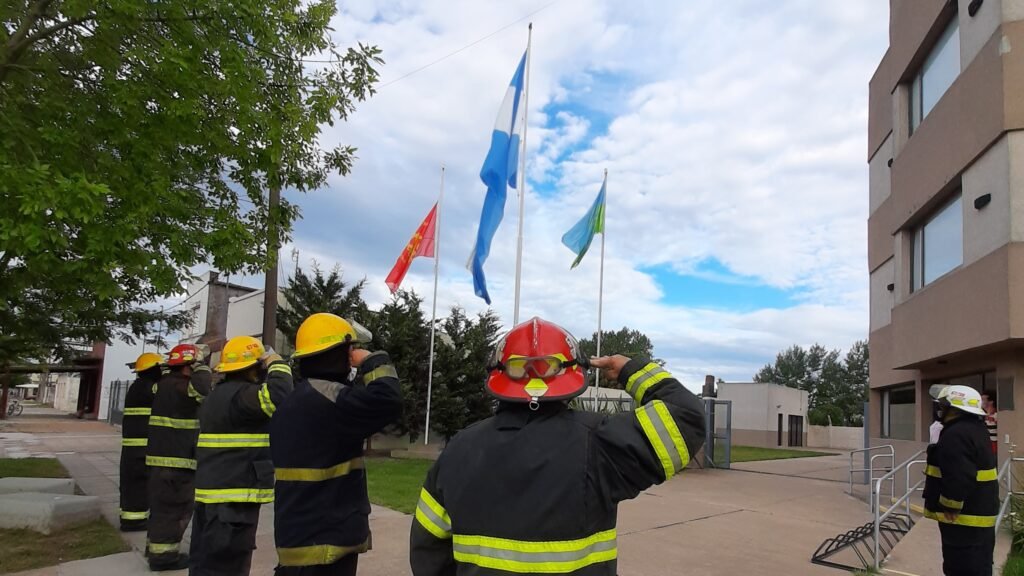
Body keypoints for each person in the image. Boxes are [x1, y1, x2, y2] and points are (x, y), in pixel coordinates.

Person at [409, 317, 706, 575]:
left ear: (499, 374)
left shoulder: (459, 449)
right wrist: (633, 370)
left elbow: (428, 549)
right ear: (572, 374)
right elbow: (686, 418)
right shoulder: (601, 443)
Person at [271, 313, 403, 576]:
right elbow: (388, 400)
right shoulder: (329, 400)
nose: (351, 356)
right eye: (349, 350)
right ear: (337, 354)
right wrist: (373, 360)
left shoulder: (299, 400)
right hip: (324, 544)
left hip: (301, 539)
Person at [189, 336, 294, 576]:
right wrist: (277, 362)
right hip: (232, 500)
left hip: (215, 497)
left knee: (206, 563)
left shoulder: (217, 396)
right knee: (227, 566)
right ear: (254, 369)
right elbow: (279, 395)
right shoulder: (243, 396)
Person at [146, 343, 211, 571]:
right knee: (175, 509)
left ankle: (154, 548)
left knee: (161, 508)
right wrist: (201, 364)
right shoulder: (182, 387)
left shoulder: (163, 385)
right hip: (177, 461)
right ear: (187, 366)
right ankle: (164, 557)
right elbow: (204, 388)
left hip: (160, 459)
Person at [924, 385, 999, 576]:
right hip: (978, 519)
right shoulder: (975, 428)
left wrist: (951, 505)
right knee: (978, 567)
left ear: (956, 409)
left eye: (944, 405)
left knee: (960, 568)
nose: (940, 408)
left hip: (963, 522)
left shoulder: (956, 434)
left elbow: (959, 476)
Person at [119, 352, 162, 532]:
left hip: (131, 447)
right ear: (153, 370)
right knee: (142, 484)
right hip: (144, 446)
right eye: (159, 368)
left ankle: (130, 519)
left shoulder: (136, 387)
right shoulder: (151, 388)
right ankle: (136, 521)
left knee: (131, 485)